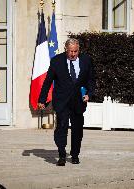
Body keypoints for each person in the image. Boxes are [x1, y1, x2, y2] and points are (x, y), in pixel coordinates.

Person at [38, 38, 95, 166]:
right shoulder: (57, 61)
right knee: (61, 128)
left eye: (75, 51)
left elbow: (91, 80)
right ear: (66, 50)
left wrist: (89, 94)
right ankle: (62, 155)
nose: (73, 54)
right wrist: (42, 99)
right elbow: (47, 82)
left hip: (79, 102)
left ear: (79, 50)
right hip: (62, 101)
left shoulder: (86, 60)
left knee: (77, 130)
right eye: (70, 51)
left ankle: (75, 155)